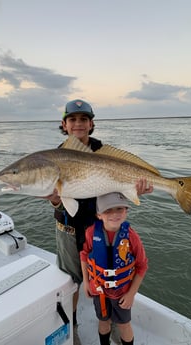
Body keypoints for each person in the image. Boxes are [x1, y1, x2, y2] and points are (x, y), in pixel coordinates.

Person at [45, 99, 152, 328]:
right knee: (71, 281)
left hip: (102, 228)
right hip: (69, 229)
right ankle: (72, 327)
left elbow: (116, 193)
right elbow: (59, 200)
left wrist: (135, 190)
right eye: (72, 119)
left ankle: (110, 323)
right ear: (64, 124)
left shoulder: (105, 155)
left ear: (91, 124)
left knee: (109, 278)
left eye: (84, 119)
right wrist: (55, 201)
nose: (78, 124)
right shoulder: (54, 157)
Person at [80, 192, 148, 345]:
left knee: (124, 325)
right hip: (99, 290)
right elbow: (84, 255)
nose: (114, 214)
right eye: (108, 210)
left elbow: (142, 266)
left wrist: (131, 294)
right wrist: (86, 282)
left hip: (122, 293)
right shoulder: (91, 233)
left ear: (126, 211)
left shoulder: (132, 237)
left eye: (119, 209)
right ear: (99, 215)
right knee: (103, 322)